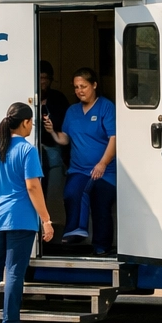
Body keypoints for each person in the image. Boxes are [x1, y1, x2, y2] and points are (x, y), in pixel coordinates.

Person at [0, 102, 54, 323]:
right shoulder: (27, 150)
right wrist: (46, 220)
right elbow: (32, 186)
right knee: (15, 271)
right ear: (26, 122)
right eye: (32, 123)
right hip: (19, 219)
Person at [42, 68, 117, 254]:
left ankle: (102, 248)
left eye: (83, 86)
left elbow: (115, 139)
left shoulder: (106, 107)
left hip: (106, 171)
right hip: (79, 169)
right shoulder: (72, 111)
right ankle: (76, 231)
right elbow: (65, 139)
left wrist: (103, 163)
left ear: (94, 85)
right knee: (70, 193)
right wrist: (52, 131)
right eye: (76, 87)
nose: (79, 90)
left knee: (100, 204)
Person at [37, 62, 71, 228]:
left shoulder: (58, 98)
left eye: (46, 78)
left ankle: (52, 226)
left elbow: (66, 126)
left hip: (53, 147)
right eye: (40, 77)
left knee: (54, 192)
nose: (42, 82)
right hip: (33, 149)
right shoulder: (29, 94)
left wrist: (52, 127)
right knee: (36, 189)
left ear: (51, 80)